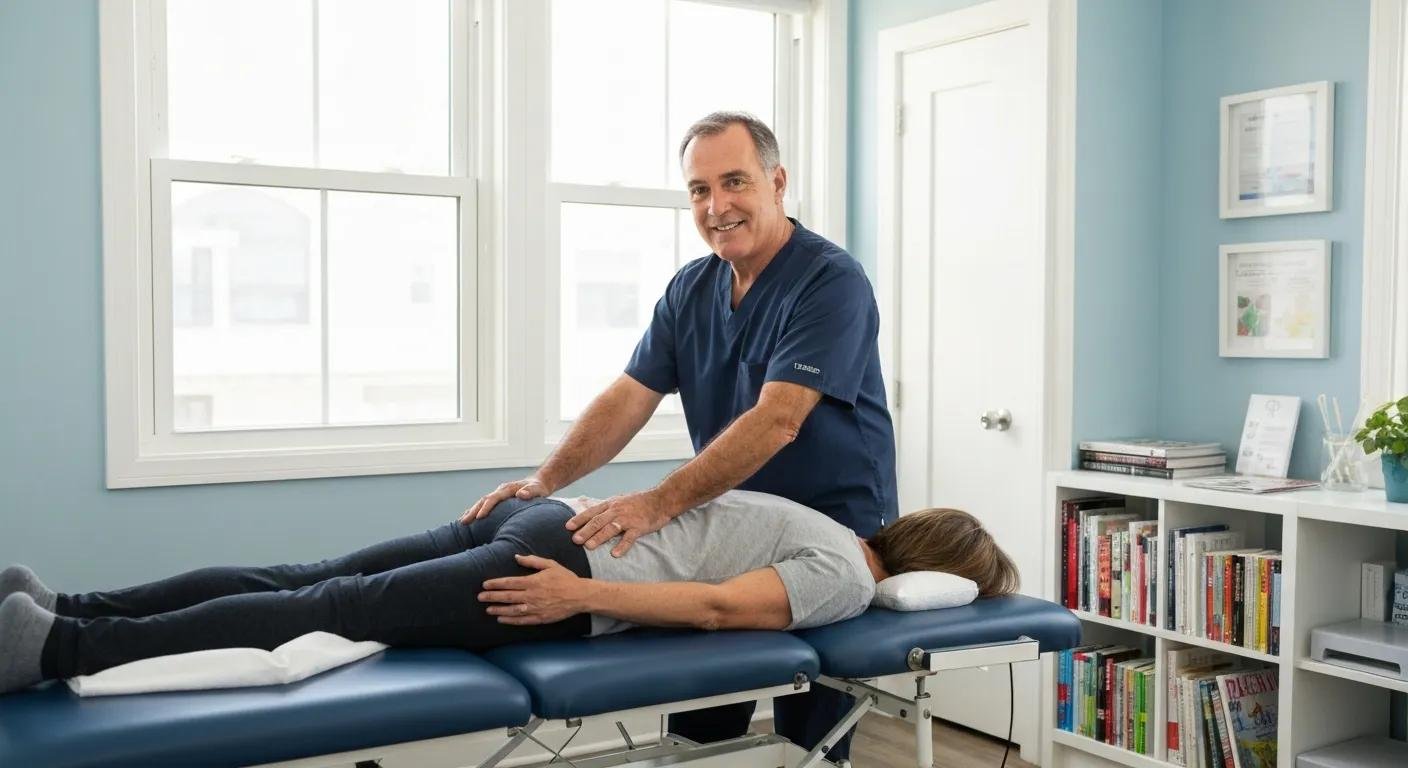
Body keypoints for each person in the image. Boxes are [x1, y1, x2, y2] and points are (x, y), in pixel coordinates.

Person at [464, 112, 897, 759]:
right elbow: (628, 397)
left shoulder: (830, 282)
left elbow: (779, 419)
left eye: (734, 182)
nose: (717, 206)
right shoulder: (692, 288)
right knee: (703, 718)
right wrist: (545, 482)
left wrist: (656, 504)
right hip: (732, 531)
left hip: (829, 530)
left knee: (812, 729)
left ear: (777, 182)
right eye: (699, 189)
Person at [0, 493, 1017, 695]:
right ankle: (55, 652)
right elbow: (716, 610)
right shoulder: (843, 577)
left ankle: (68, 607)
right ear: (939, 578)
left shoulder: (821, 525)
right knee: (334, 609)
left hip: (545, 518)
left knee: (309, 576)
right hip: (551, 574)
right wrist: (579, 592)